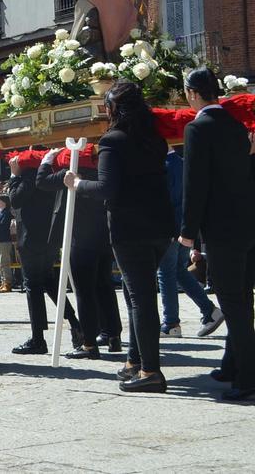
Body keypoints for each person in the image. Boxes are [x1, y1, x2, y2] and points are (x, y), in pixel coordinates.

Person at [65, 81, 175, 393]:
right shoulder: (154, 138)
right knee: (134, 294)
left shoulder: (113, 141)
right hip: (159, 227)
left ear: (114, 109)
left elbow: (105, 189)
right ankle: (134, 361)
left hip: (131, 230)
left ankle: (151, 371)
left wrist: (76, 184)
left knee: (140, 299)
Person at [178, 68, 255, 400]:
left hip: (222, 230)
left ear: (194, 94)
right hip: (247, 226)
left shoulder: (198, 129)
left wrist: (187, 232)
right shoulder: (237, 127)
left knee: (232, 303)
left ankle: (248, 378)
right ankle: (234, 365)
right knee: (242, 299)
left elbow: (195, 185)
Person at [37, 147, 123, 359]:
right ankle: (113, 336)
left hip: (81, 240)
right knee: (105, 287)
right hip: (103, 237)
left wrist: (46, 162)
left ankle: (89, 343)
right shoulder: (99, 174)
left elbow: (41, 181)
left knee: (84, 292)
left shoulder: (70, 172)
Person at [7, 154, 81, 356]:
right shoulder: (48, 173)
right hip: (48, 238)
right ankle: (75, 323)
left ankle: (38, 338)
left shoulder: (29, 176)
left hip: (31, 239)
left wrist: (14, 177)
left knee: (33, 286)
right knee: (49, 282)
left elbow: (15, 199)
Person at [159, 149, 224, 338]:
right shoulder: (182, 162)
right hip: (185, 226)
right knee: (177, 270)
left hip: (172, 227)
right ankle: (209, 310)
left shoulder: (165, 166)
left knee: (166, 272)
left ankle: (171, 322)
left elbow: (169, 201)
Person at [0, 194, 16, 292]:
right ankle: (2, 282)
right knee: (0, 263)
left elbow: (2, 226)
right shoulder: (0, 212)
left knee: (4, 262)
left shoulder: (7, 213)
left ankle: (7, 283)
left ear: (5, 202)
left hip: (4, 240)